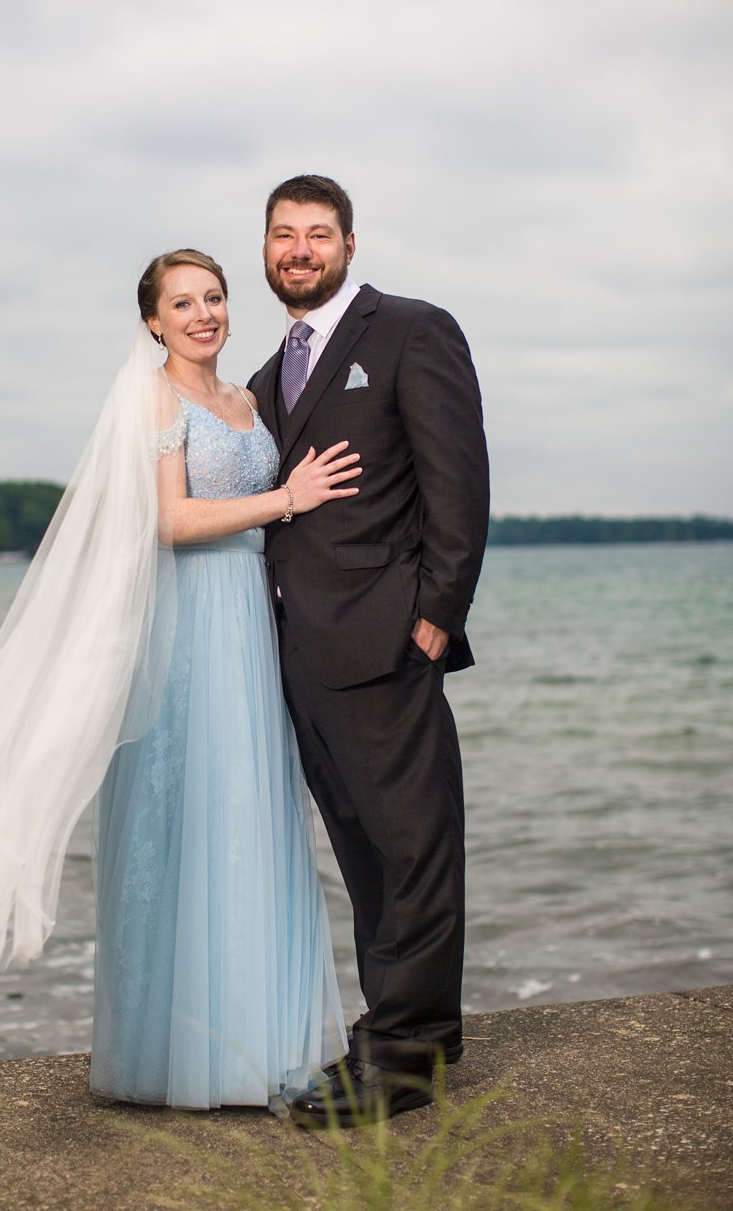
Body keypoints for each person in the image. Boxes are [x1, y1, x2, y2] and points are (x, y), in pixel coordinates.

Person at [0, 248, 357, 1113]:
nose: (203, 314)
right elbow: (172, 521)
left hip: (250, 628)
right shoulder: (152, 395)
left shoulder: (247, 401)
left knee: (251, 819)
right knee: (183, 818)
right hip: (188, 629)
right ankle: (174, 1054)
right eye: (182, 303)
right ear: (153, 321)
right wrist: (288, 498)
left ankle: (259, 1044)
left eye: (213, 297)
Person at [248, 175, 490, 1128]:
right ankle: (392, 1031)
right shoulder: (271, 377)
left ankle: (408, 1060)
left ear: (349, 243)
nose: (300, 250)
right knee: (365, 860)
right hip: (301, 658)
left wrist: (436, 613)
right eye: (283, 235)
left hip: (388, 643)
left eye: (318, 234)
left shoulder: (411, 331)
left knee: (414, 848)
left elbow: (457, 482)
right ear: (266, 249)